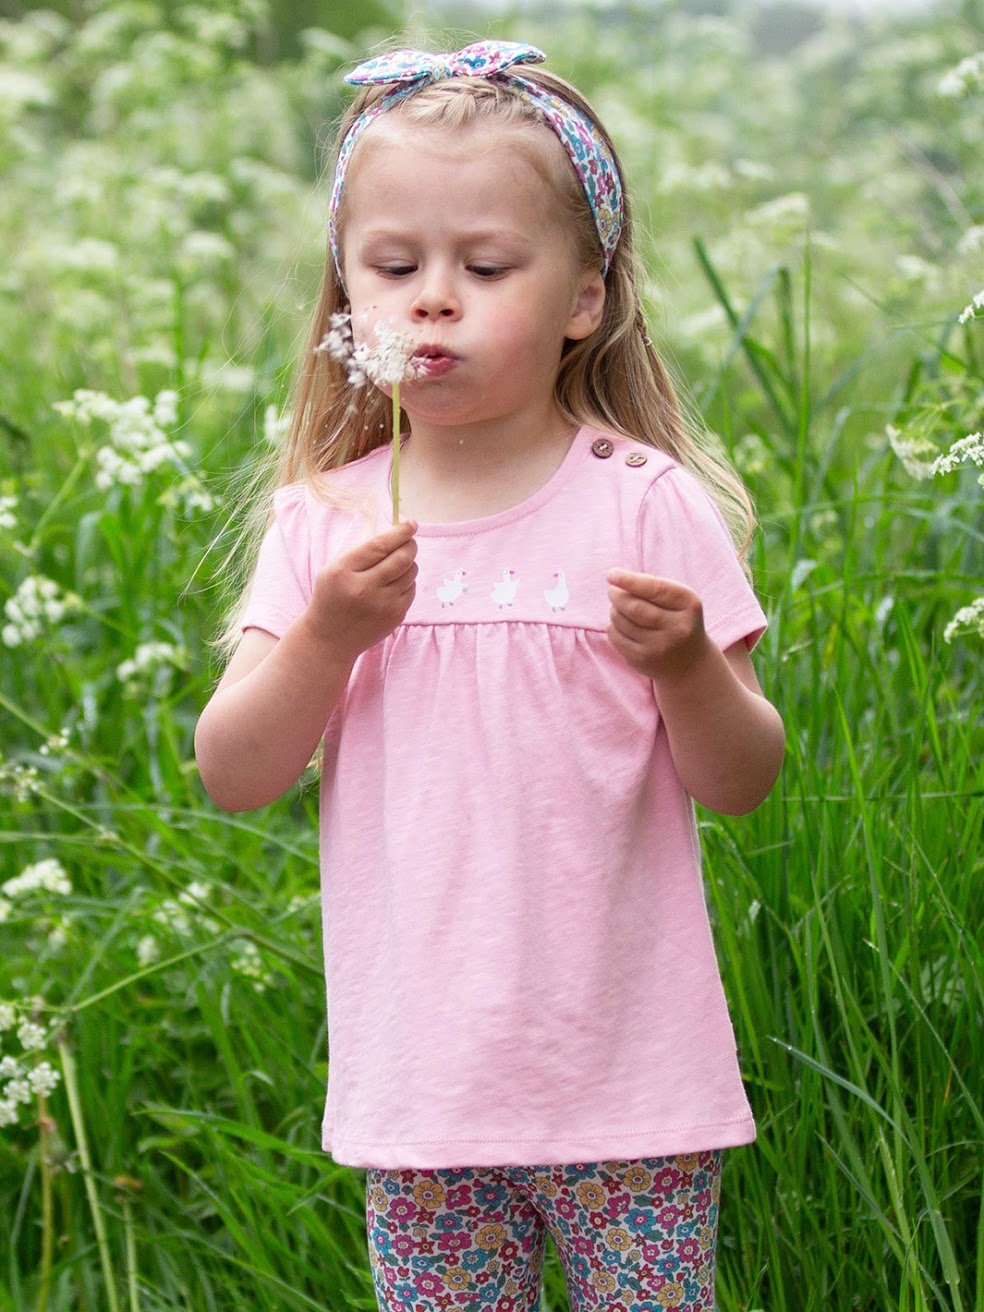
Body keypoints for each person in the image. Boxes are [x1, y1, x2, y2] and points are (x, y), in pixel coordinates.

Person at [194, 39, 785, 1312]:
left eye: (486, 266)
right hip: (425, 1091)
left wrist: (685, 662)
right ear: (347, 290)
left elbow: (742, 781)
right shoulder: (327, 522)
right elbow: (234, 771)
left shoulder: (645, 505)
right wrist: (327, 639)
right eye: (395, 267)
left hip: (632, 1080)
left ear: (583, 296)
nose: (433, 300)